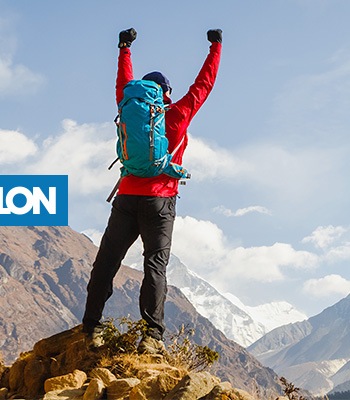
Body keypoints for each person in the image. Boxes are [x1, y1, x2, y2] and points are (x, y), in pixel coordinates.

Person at [82, 27, 222, 354]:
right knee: (154, 266)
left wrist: (124, 47)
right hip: (160, 201)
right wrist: (216, 47)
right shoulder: (178, 114)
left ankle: (90, 328)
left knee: (106, 262)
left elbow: (122, 80)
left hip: (127, 196)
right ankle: (152, 337)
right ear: (166, 94)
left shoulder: (128, 102)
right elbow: (204, 84)